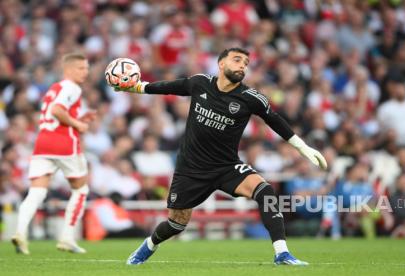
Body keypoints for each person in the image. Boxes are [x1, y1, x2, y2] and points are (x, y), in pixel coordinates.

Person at [112, 48, 327, 266]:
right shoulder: (200, 83)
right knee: (176, 224)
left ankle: (282, 253)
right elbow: (167, 87)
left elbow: (275, 120)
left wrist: (303, 147)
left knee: (266, 191)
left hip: (227, 167)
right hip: (191, 170)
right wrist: (135, 87)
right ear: (221, 64)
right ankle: (148, 246)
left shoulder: (251, 98)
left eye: (245, 62)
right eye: (237, 60)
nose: (242, 65)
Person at [11, 53, 96, 255]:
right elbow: (58, 110)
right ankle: (67, 237)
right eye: (81, 68)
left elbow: (56, 112)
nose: (86, 72)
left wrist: (78, 117)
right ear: (68, 69)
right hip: (64, 143)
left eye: (86, 68)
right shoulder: (72, 87)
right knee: (81, 189)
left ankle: (20, 234)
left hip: (43, 142)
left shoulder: (55, 87)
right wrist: (78, 125)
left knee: (37, 192)